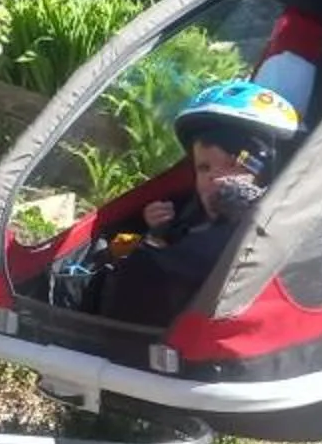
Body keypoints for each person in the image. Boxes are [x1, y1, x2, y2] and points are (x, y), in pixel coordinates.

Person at [97, 79, 300, 327]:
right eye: (204, 168)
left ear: (266, 173)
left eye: (232, 165)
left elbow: (173, 263)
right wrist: (155, 232)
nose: (214, 177)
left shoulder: (264, 230)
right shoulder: (189, 213)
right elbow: (126, 253)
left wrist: (146, 248)